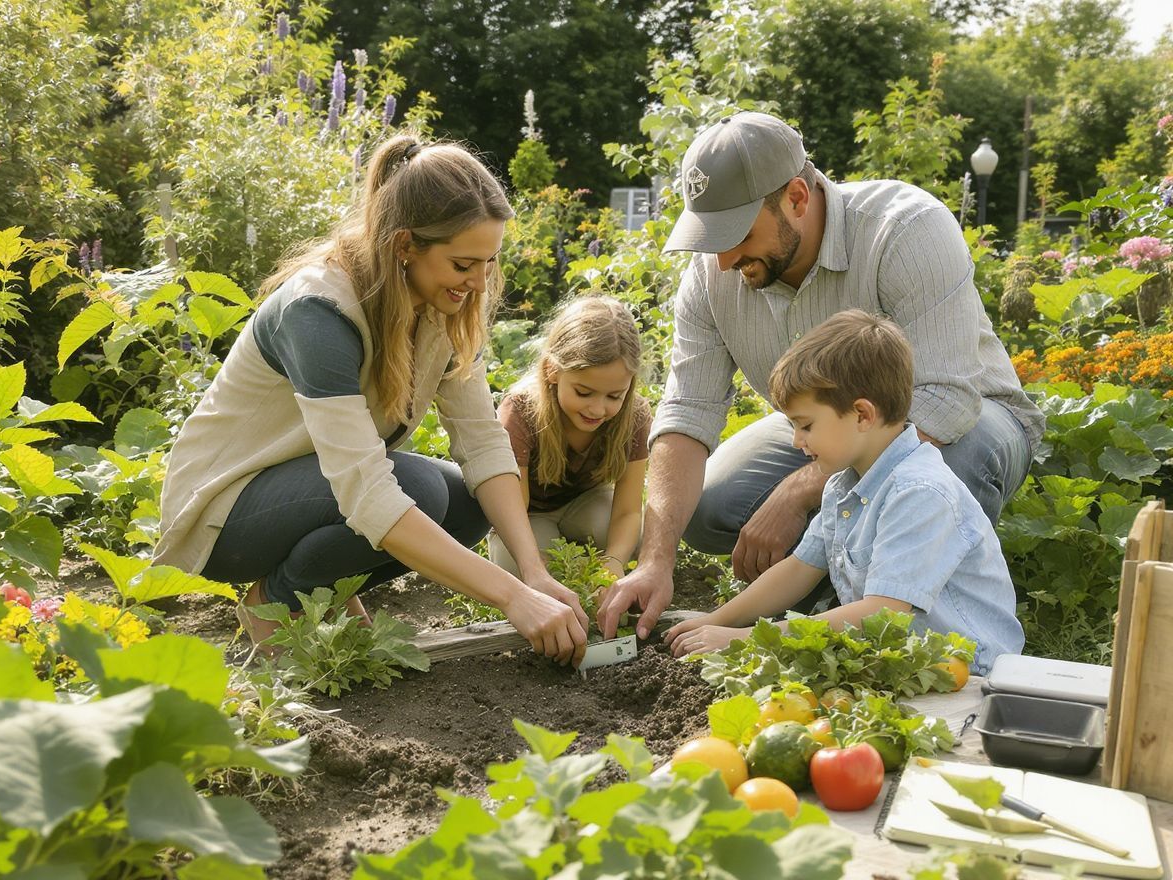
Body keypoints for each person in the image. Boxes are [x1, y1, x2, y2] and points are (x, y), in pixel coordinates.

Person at [597, 111, 1043, 641]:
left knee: (940, 468)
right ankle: (832, 600)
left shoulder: (905, 228)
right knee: (710, 505)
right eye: (711, 236)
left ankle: (906, 610)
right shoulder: (713, 273)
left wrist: (799, 491)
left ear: (797, 198)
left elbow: (946, 399)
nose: (722, 260)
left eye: (736, 233)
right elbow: (686, 415)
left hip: (968, 414)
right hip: (833, 425)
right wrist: (655, 560)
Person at [153, 134, 588, 666]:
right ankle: (276, 603)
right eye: (463, 264)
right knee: (421, 488)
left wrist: (532, 571)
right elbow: (364, 486)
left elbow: (482, 443)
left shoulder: (439, 306)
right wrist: (511, 597)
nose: (478, 282)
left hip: (314, 486)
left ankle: (322, 593)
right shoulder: (319, 311)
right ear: (405, 245)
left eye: (488, 263)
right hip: (227, 510)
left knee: (466, 503)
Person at [664, 310, 1024, 675]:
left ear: (862, 415)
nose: (796, 440)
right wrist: (719, 621)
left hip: (968, 673)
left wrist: (747, 639)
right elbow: (800, 568)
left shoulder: (920, 492)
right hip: (900, 662)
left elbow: (881, 614)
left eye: (805, 425)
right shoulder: (843, 483)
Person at [489, 296, 651, 579]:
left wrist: (612, 563)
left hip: (587, 503)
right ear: (553, 371)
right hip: (528, 516)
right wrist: (538, 567)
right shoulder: (520, 413)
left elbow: (627, 511)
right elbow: (515, 511)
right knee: (516, 564)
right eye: (584, 392)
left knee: (633, 535)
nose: (598, 409)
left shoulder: (633, 416)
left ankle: (588, 567)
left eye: (614, 396)